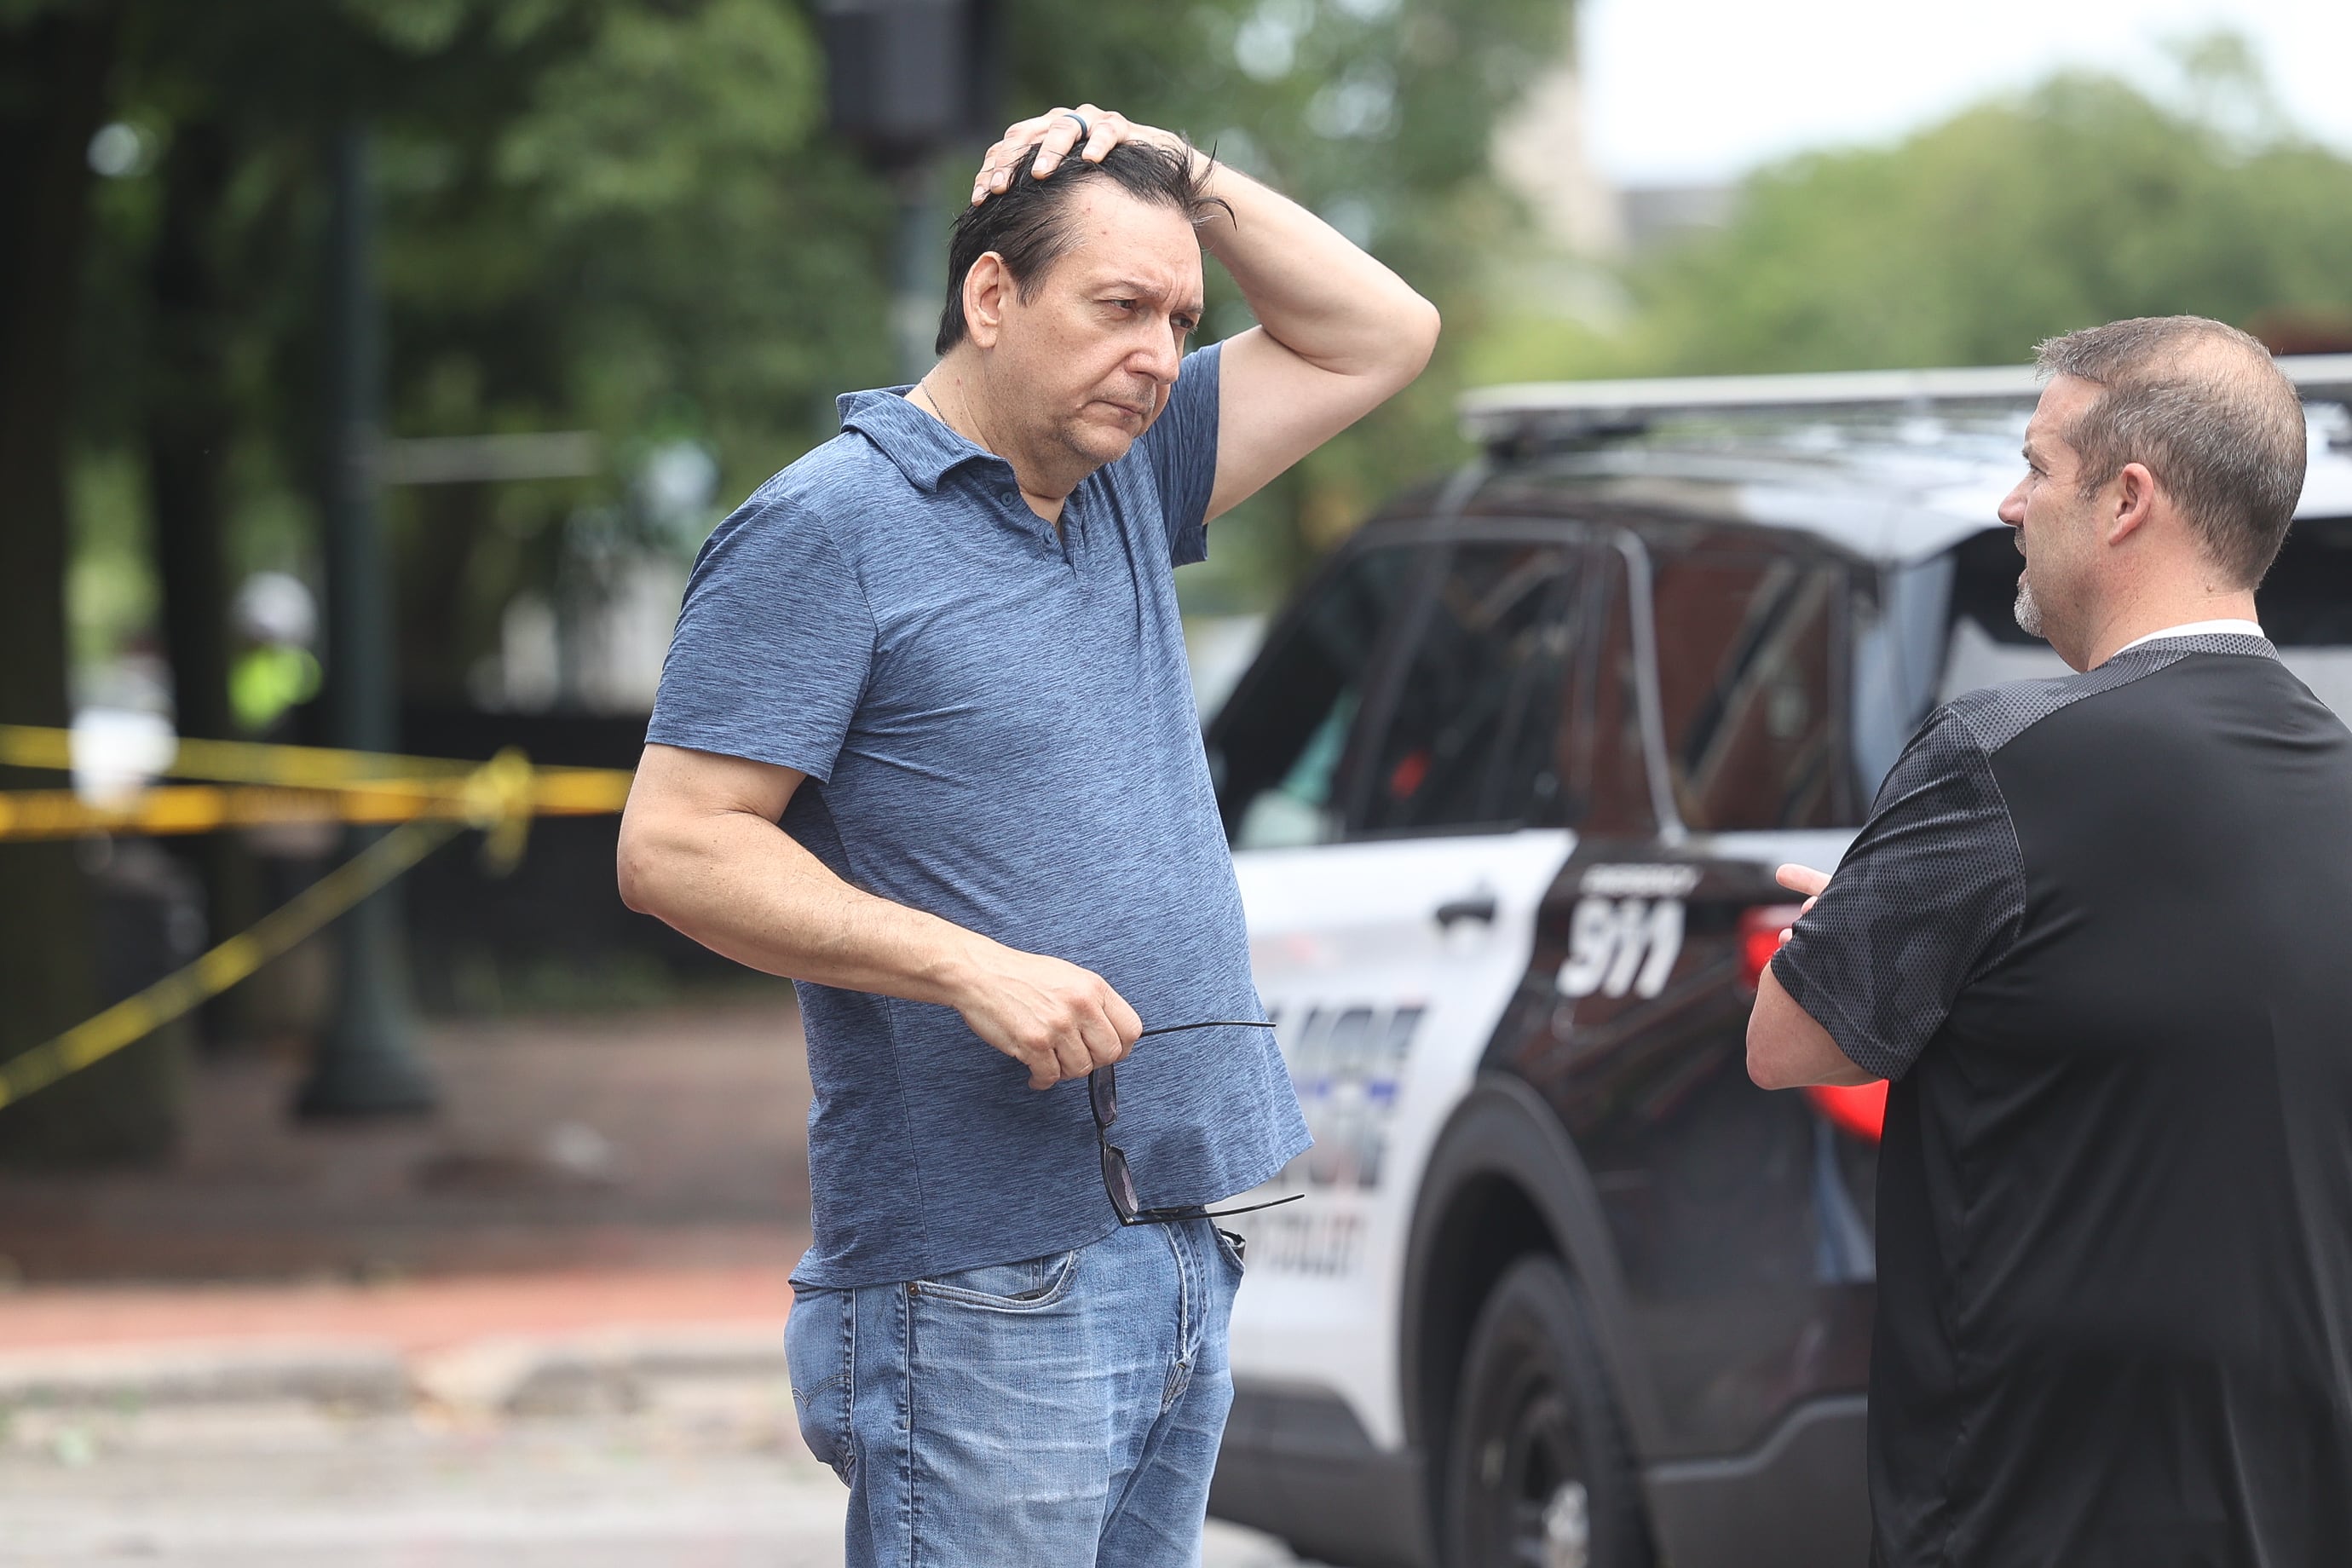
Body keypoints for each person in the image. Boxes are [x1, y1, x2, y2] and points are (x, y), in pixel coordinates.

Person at [615, 104, 1438, 1566]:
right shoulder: (826, 526)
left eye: (1180, 317)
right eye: (1118, 305)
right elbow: (675, 845)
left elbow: (1381, 332)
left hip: (1184, 1216)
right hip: (984, 1264)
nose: (1157, 351)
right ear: (992, 297)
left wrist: (1182, 174)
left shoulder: (1125, 472)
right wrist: (963, 967)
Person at [1747, 315, 2352, 1566]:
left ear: (2129, 499)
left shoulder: (2003, 757)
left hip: (2039, 1501)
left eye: (2036, 465)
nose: (2012, 502)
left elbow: (1790, 1044)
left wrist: (1845, 927)